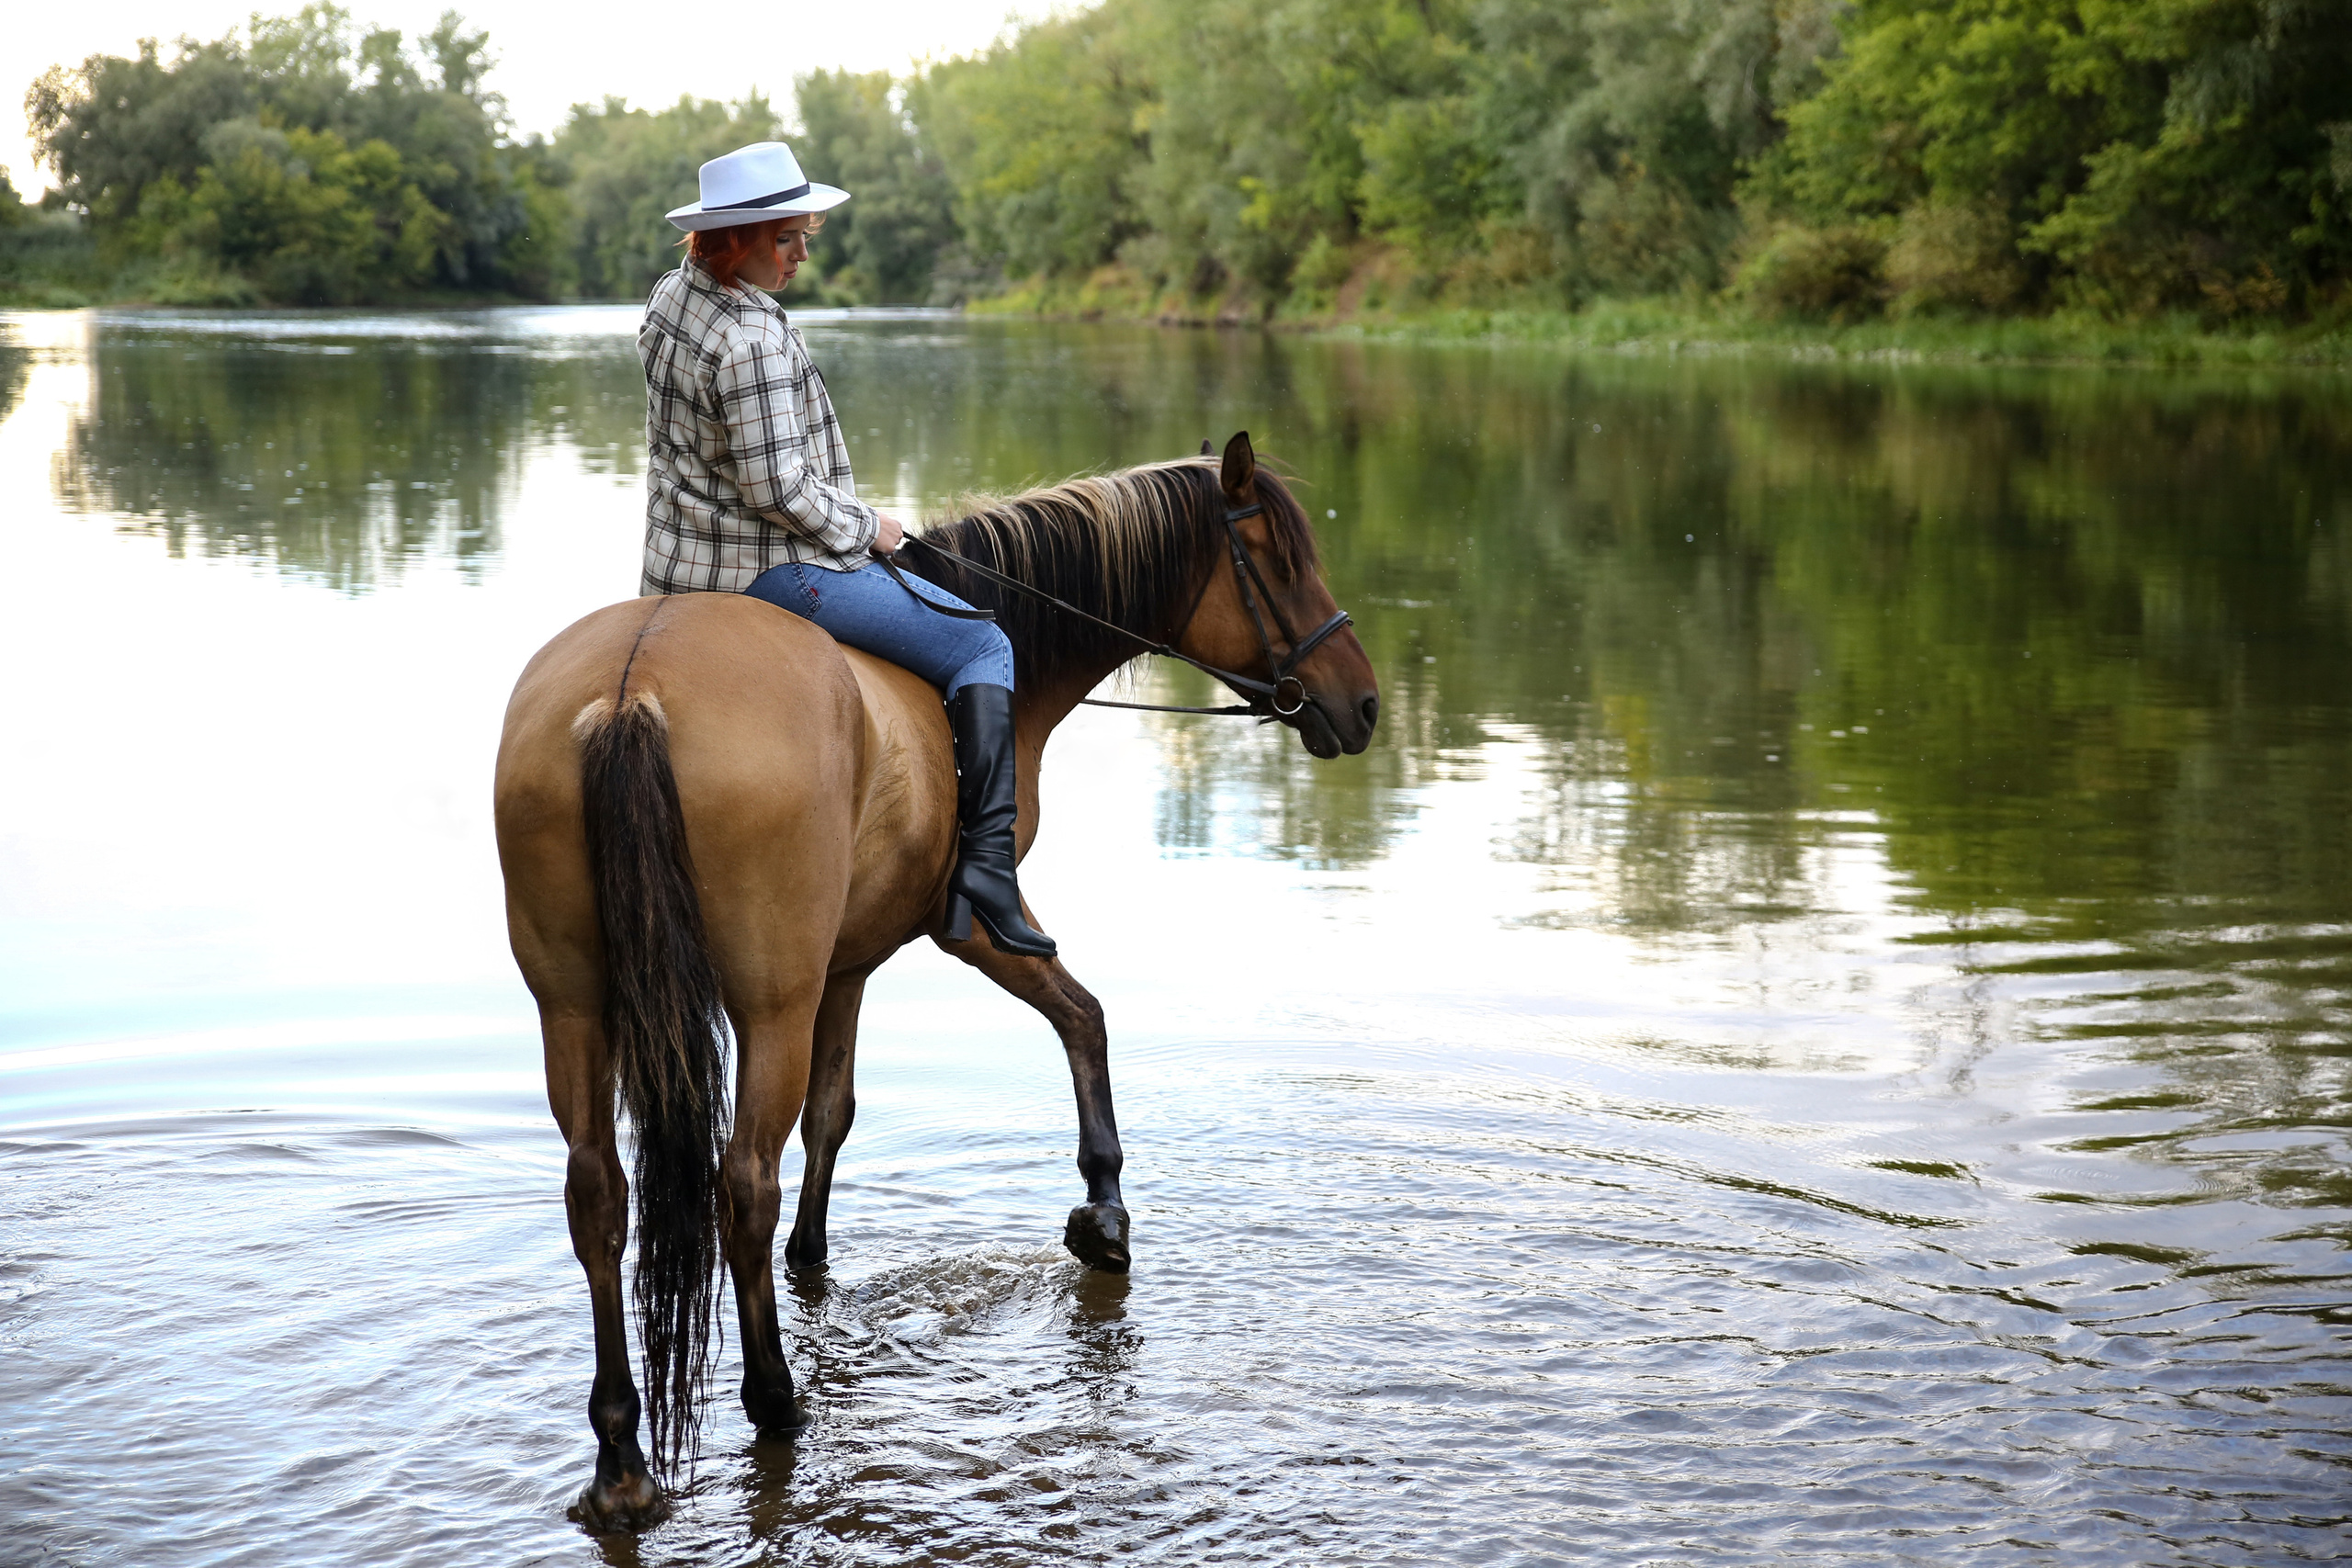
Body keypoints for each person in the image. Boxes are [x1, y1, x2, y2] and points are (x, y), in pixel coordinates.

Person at [638, 141, 1055, 958]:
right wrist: (871, 528)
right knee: (981, 639)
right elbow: (779, 491)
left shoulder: (671, 300)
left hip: (675, 567)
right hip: (765, 571)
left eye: (804, 235)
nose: (802, 252)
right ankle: (988, 874)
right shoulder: (750, 340)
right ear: (736, 239)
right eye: (788, 237)